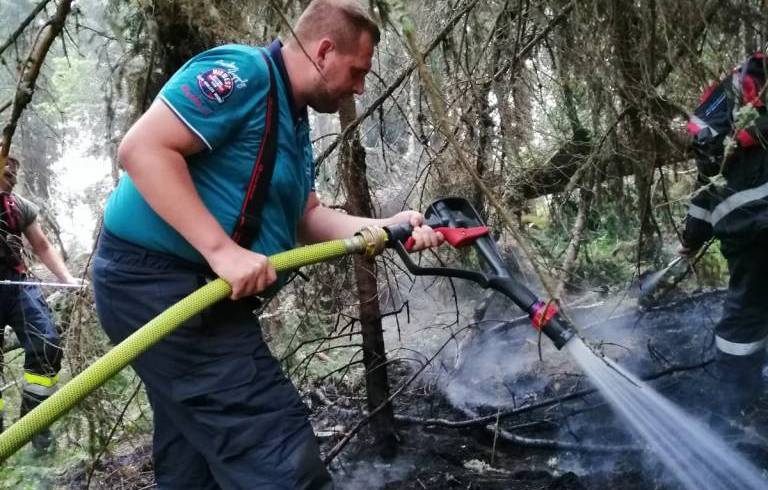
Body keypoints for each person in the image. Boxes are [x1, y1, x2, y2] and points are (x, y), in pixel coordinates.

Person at [92, 1, 443, 488]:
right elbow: (142, 149)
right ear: (323, 51)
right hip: (158, 285)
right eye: (357, 71)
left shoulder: (292, 120)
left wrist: (389, 225)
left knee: (194, 457)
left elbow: (307, 217)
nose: (360, 87)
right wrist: (221, 250)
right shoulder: (241, 74)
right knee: (275, 452)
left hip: (187, 289)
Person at [680, 51, 768, 416]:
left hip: (747, 230)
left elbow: (706, 187)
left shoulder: (718, 124)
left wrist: (690, 239)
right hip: (749, 227)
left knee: (745, 314)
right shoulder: (747, 104)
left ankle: (736, 406)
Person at [0, 155, 79, 449]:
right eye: (7, 168)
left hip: (17, 283)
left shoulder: (20, 206)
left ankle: (34, 423)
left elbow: (42, 245)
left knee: (46, 343)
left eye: (16, 170)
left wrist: (66, 279)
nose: (13, 174)